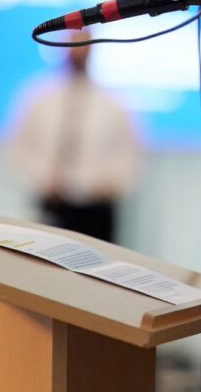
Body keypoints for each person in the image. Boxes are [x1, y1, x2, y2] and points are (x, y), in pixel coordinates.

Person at [8, 32, 141, 242]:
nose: (78, 51)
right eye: (73, 45)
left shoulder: (114, 103)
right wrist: (44, 179)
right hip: (52, 204)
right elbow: (20, 148)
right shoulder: (38, 97)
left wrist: (109, 184)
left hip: (97, 209)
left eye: (84, 45)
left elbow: (128, 154)